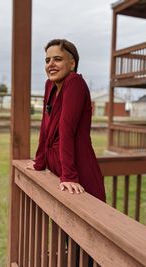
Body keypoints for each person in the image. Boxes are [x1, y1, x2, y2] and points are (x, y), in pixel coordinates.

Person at [28, 38, 106, 202]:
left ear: (72, 64)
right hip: (59, 171)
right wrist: (39, 162)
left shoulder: (74, 82)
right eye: (47, 60)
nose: (51, 64)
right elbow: (44, 127)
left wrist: (69, 176)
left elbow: (66, 129)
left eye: (57, 59)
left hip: (78, 171)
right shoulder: (50, 86)